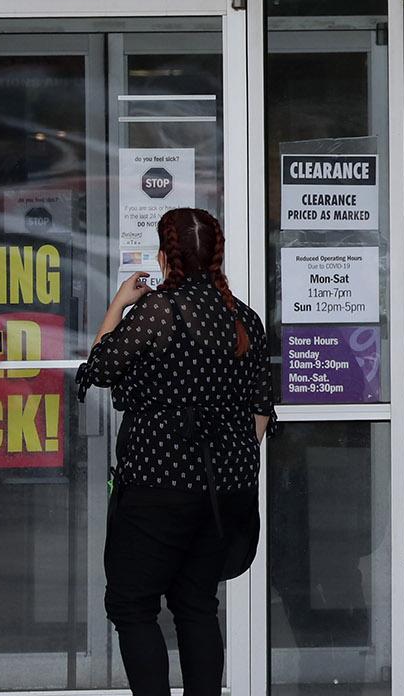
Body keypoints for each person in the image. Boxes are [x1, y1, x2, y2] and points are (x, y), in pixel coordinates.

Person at [75, 208, 273, 696]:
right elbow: (262, 412)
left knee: (132, 606)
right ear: (215, 258)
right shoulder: (243, 318)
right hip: (224, 493)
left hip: (157, 489)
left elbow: (99, 368)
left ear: (165, 258)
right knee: (197, 605)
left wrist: (120, 303)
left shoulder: (161, 310)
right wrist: (227, 461)